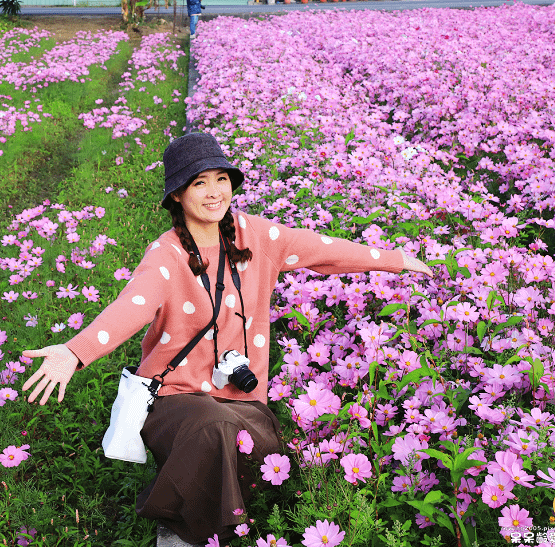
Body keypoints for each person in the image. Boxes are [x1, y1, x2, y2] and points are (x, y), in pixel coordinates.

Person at [22, 133, 433, 545]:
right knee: (212, 427)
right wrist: (76, 351)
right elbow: (133, 306)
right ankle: (180, 531)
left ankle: (214, 518)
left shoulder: (256, 238)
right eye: (200, 183)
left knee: (248, 439)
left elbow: (322, 250)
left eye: (222, 178)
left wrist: (394, 261)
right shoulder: (166, 256)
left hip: (242, 399)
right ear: (177, 196)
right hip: (173, 399)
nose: (215, 192)